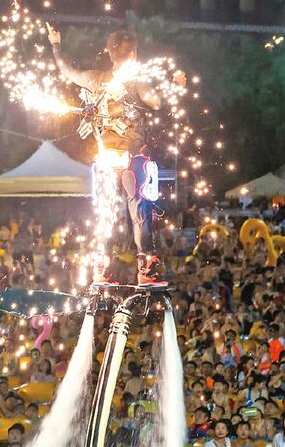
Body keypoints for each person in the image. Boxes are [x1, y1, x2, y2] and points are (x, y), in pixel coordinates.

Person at [47, 24, 186, 286]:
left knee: (107, 215)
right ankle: (146, 268)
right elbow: (157, 102)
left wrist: (56, 45)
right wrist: (174, 84)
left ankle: (103, 267)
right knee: (140, 211)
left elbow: (67, 70)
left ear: (110, 55)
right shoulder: (136, 81)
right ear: (133, 54)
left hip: (106, 160)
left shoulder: (96, 80)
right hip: (133, 160)